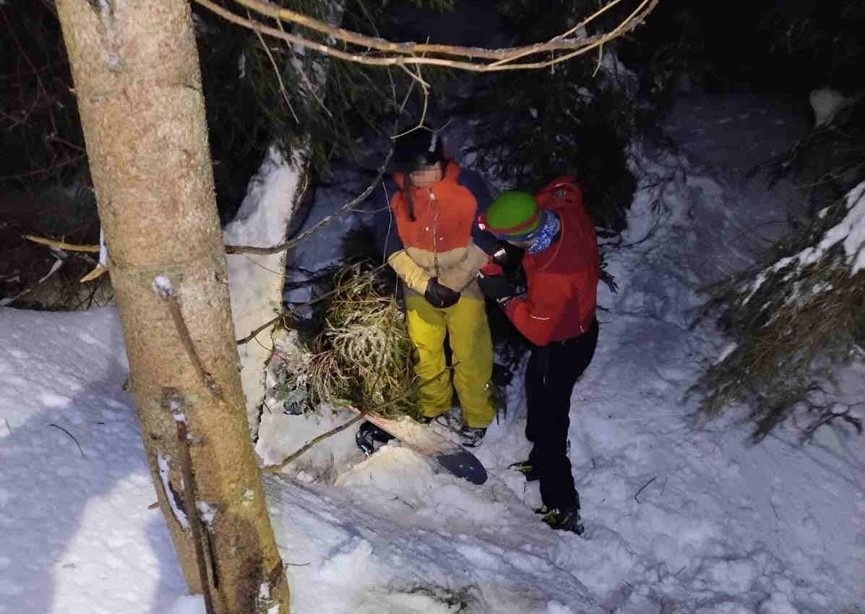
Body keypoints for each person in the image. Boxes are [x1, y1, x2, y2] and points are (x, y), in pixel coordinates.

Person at [476, 176, 599, 534]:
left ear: (522, 237)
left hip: (565, 342)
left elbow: (536, 330)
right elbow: (566, 185)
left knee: (551, 419)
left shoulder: (553, 273)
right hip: (571, 329)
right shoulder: (561, 209)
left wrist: (502, 295)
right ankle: (540, 458)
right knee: (535, 383)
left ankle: (562, 504)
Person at [371, 128, 500, 447]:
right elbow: (389, 245)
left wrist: (454, 282)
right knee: (425, 351)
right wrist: (424, 285)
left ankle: (477, 416)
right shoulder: (392, 192)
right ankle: (433, 405)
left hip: (465, 282)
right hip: (418, 285)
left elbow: (486, 237)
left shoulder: (467, 185)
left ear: (442, 161)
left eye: (431, 170)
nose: (425, 178)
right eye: (416, 173)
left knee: (471, 352)